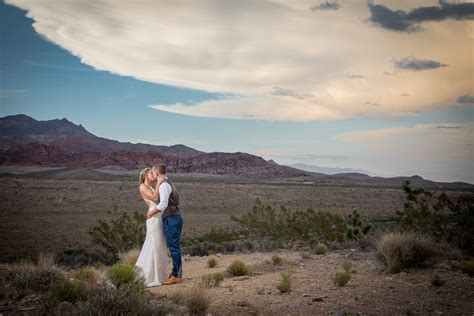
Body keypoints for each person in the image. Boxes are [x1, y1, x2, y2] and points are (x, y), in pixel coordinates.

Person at [150, 163, 184, 285]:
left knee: (174, 248)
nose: (152, 175)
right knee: (174, 247)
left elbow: (163, 204)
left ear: (157, 173)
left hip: (172, 218)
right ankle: (177, 273)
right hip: (174, 217)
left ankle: (176, 275)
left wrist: (151, 213)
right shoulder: (168, 182)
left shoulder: (164, 186)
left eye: (153, 173)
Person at [135, 167, 168, 287]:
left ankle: (159, 275)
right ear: (144, 175)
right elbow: (154, 198)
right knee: (153, 244)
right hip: (153, 218)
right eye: (151, 173)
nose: (153, 175)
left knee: (159, 245)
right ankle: (150, 276)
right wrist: (159, 182)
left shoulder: (152, 187)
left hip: (158, 217)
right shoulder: (142, 187)